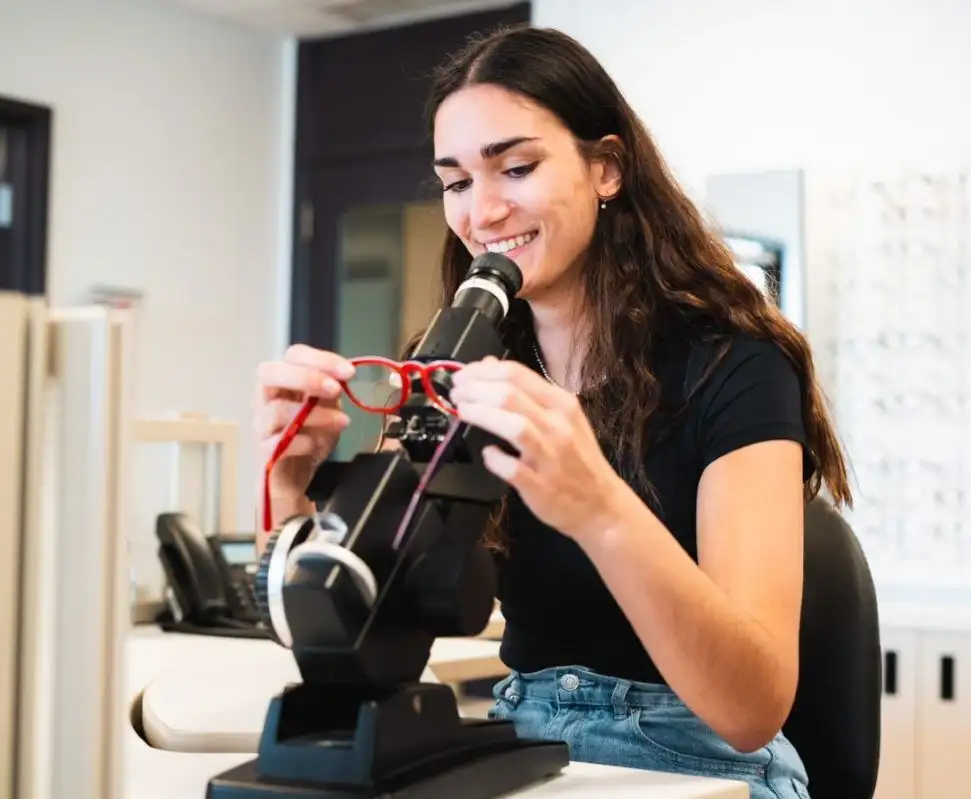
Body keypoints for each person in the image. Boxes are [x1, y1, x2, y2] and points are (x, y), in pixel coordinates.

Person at [252, 25, 852, 799]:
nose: (483, 211)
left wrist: (598, 504)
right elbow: (368, 634)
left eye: (517, 167)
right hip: (529, 749)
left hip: (703, 761)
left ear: (606, 168)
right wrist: (293, 491)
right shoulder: (457, 369)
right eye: (457, 182)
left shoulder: (736, 363)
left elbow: (751, 706)